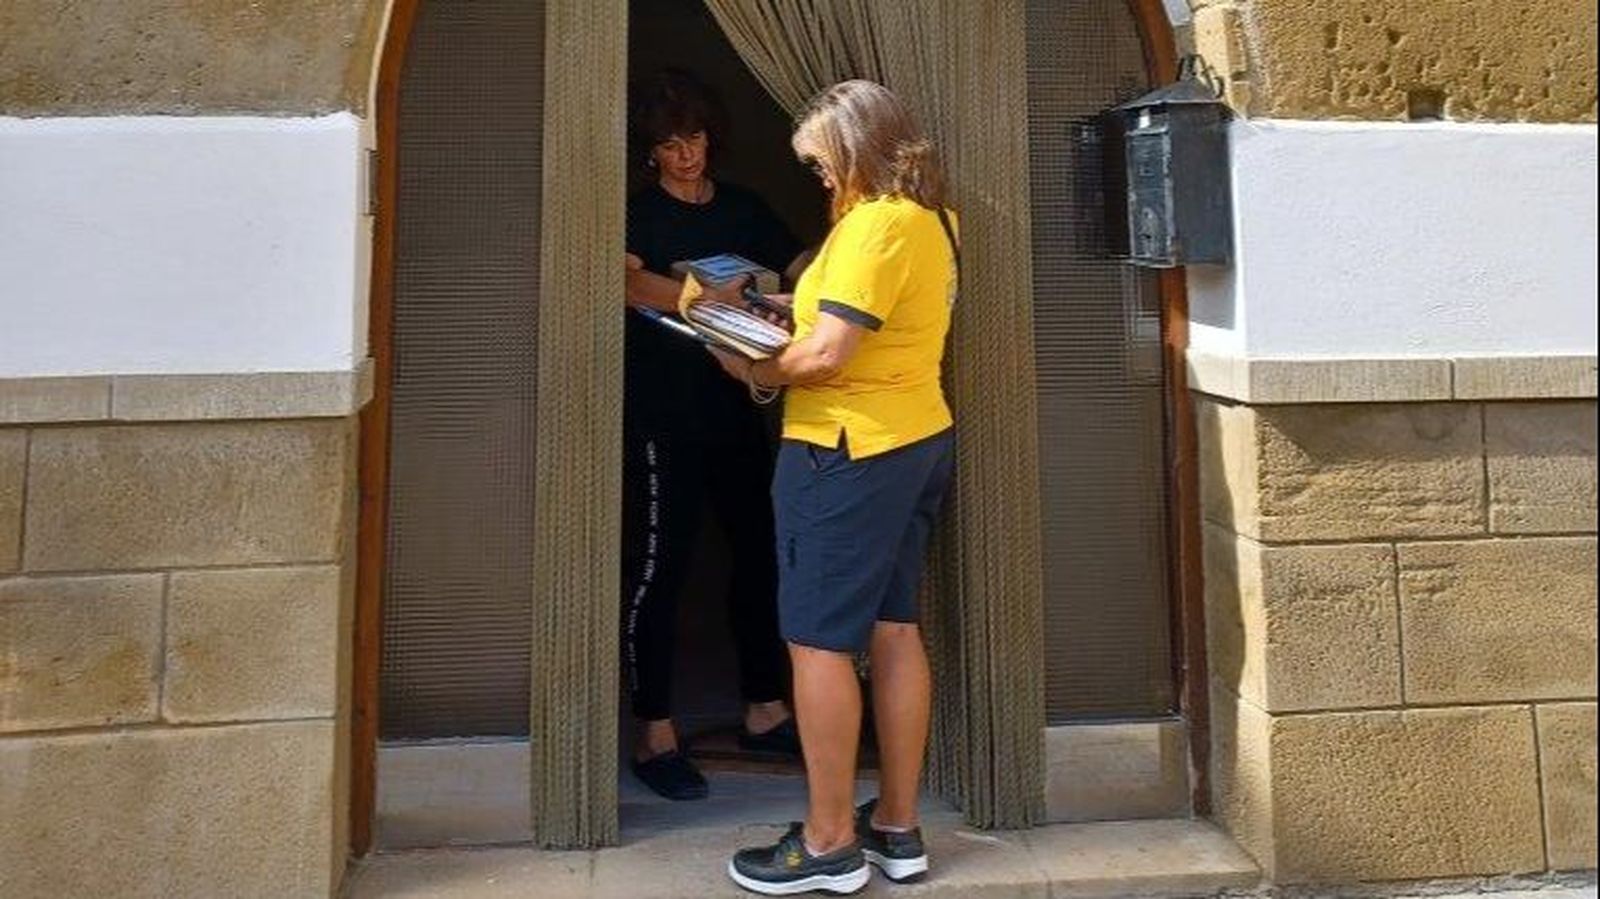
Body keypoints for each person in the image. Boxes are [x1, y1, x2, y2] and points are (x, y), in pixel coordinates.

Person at [708, 80, 958, 895]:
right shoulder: (932, 220)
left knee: (816, 641)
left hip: (844, 451)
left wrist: (748, 362)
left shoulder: (873, 223)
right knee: (893, 628)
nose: (819, 179)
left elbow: (825, 355)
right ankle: (896, 826)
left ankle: (827, 843)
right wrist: (780, 305)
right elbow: (863, 316)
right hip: (915, 437)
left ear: (856, 150)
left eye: (822, 164)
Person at [621, 69, 812, 802]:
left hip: (737, 407)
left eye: (695, 138)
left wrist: (806, 289)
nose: (686, 155)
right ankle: (655, 731)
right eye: (670, 144)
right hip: (660, 412)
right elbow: (627, 282)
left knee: (759, 554)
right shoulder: (638, 214)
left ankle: (766, 709)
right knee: (660, 566)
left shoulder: (743, 207)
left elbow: (800, 264)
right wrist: (706, 299)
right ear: (651, 151)